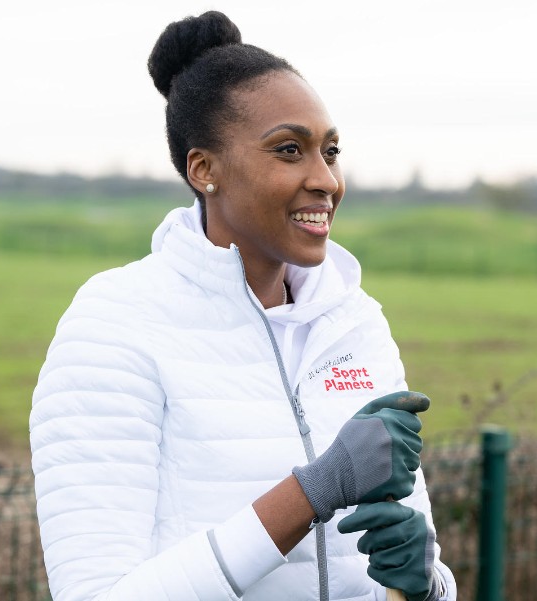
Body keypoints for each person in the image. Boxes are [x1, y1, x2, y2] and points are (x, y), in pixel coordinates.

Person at [30, 11, 457, 601]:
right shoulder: (115, 324)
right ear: (204, 169)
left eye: (330, 152)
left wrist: (424, 583)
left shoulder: (357, 323)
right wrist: (309, 494)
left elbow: (408, 569)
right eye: (289, 150)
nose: (326, 180)